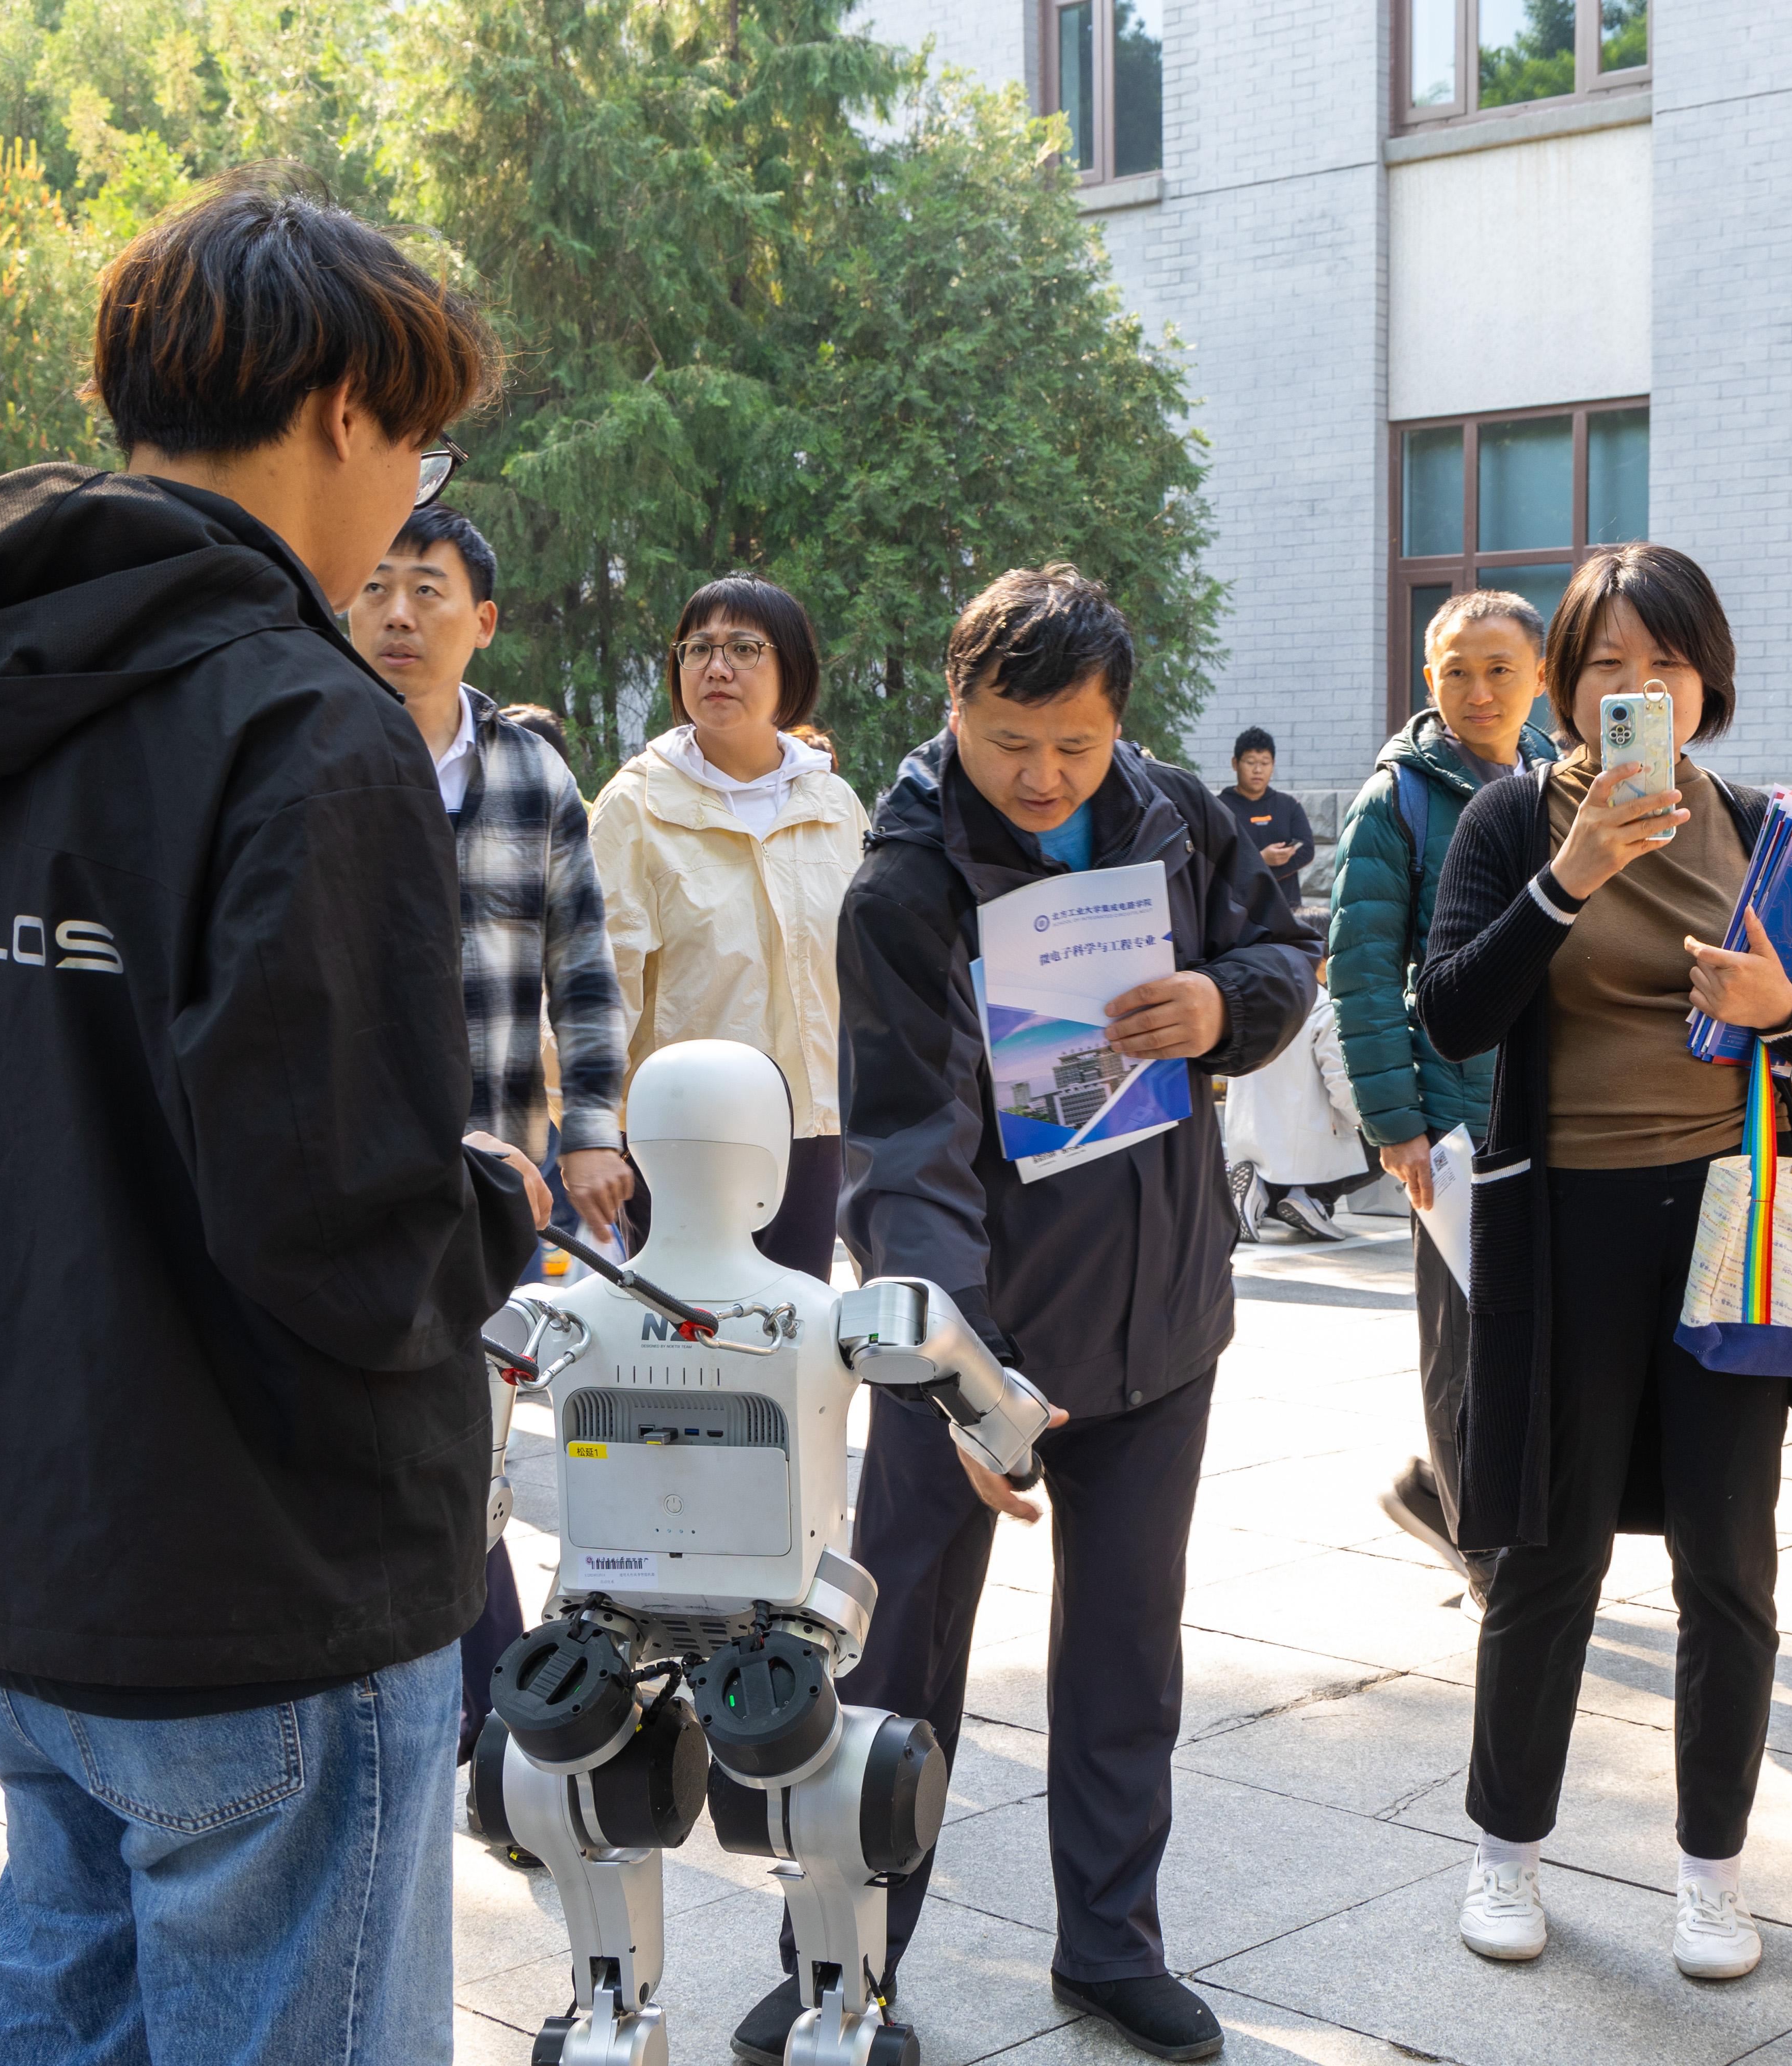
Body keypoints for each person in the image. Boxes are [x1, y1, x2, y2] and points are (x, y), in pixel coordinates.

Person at [0, 169, 549, 2066]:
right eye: (418, 445)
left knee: (61, 1991)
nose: (410, 499)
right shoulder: (300, 722)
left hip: (28, 1538)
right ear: (344, 411)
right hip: (264, 1572)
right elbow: (341, 1220)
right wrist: (493, 1205)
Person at [729, 564, 1314, 2066]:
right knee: (897, 1665)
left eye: (1074, 743)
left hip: (1158, 1321)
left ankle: (1111, 1942)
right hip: (973, 1345)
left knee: (1125, 1655)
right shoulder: (906, 883)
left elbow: (1278, 952)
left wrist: (1221, 1005)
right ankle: (841, 1957)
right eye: (1009, 743)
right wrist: (958, 1378)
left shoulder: (1174, 815)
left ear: (1118, 721)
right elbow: (907, 1150)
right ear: (955, 709)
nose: (1044, 775)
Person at [1414, 544, 1792, 1983]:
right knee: (1547, 1554)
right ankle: (1504, 1849)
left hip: (1730, 1234)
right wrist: (1568, 881)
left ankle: (1712, 1874)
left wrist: (1785, 1005)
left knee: (1730, 1567)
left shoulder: (1764, 829)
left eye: (1662, 665)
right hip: (1568, 1230)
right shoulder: (1513, 818)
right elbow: (1451, 1013)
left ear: (1705, 681)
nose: (1636, 688)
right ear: (1565, 686)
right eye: (1605, 664)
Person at [345, 500, 630, 1770]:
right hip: (351, 1161)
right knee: (410, 1424)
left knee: (467, 1421)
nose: (399, 613)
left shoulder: (533, 775)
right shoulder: (317, 748)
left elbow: (585, 970)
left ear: (484, 621)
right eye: (376, 587)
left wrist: (595, 1128)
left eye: (428, 589)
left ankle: (483, 1707)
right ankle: (474, 1704)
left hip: (497, 1167)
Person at [1324, 589, 1558, 1599]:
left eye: (1500, 670)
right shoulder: (1400, 800)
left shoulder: (1563, 782)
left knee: (1539, 1340)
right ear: (1431, 678)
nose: (1478, 691)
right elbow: (1362, 969)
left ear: (1540, 676)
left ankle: (1440, 1495)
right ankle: (1481, 1553)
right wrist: (1397, 1123)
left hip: (1552, 1110)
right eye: (1457, 671)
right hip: (1455, 1124)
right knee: (1467, 1350)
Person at [588, 573, 862, 1281]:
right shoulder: (636, 805)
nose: (717, 667)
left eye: (744, 648)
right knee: (691, 1336)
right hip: (683, 1132)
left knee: (796, 1327)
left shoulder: (834, 804)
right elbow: (601, 980)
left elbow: (866, 971)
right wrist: (592, 1126)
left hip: (815, 1129)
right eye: (698, 649)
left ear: (790, 669)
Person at [1220, 958, 1370, 1244]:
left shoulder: (1252, 999)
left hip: (1247, 1136)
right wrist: (1367, 1121)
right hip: (1305, 1142)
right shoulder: (1322, 1005)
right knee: (1383, 1138)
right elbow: (1341, 1083)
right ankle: (1311, 1198)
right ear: (1322, 959)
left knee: (1278, 1166)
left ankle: (1260, 1192)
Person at [1220, 725, 1315, 906]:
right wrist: (1261, 860)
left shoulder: (1289, 805)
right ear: (1235, 763)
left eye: (1265, 763)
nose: (1258, 770)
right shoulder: (1220, 808)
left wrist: (1262, 873)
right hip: (1238, 908)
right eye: (1250, 762)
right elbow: (1217, 858)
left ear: (1273, 765)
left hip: (1286, 907)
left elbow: (1307, 849)